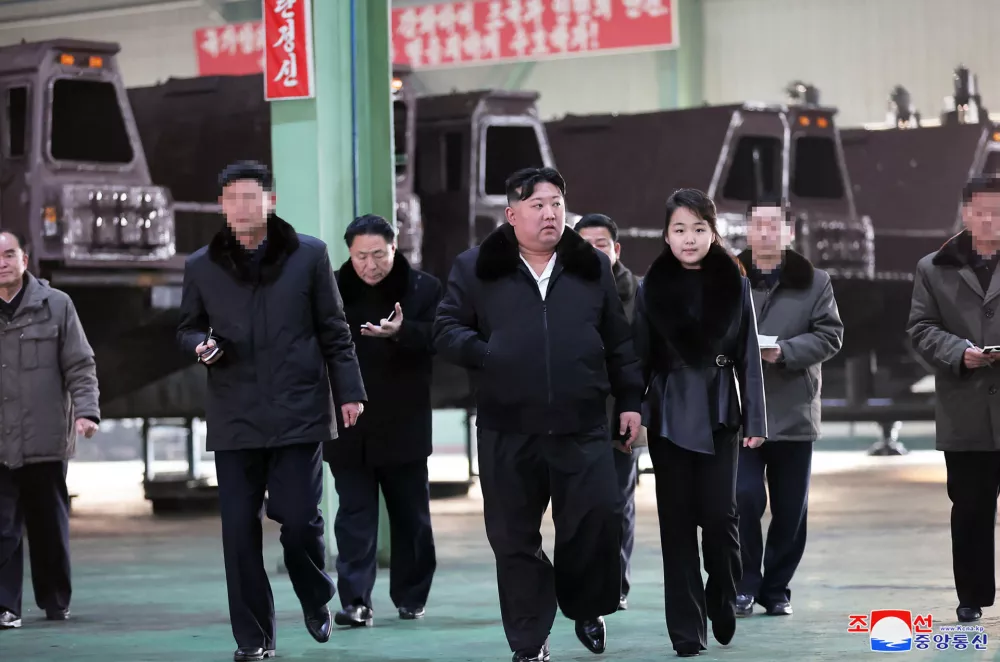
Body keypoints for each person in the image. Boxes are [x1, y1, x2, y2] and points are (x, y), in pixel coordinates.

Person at [433, 167, 644, 662]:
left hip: (582, 423)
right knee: (513, 538)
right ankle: (529, 640)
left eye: (556, 203)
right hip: (509, 427)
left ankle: (585, 606)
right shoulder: (475, 267)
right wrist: (488, 353)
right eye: (537, 205)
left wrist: (631, 401)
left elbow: (619, 341)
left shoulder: (592, 266)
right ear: (511, 215)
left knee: (595, 520)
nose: (550, 213)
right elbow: (444, 329)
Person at [176, 161, 367, 662]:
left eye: (251, 196)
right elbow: (186, 327)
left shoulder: (309, 256)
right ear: (222, 206)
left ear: (271, 201)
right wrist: (201, 344)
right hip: (234, 415)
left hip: (298, 410)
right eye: (232, 197)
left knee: (300, 520)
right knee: (238, 533)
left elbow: (334, 327)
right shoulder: (201, 265)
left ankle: (313, 593)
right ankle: (253, 638)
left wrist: (349, 391)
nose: (242, 206)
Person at [631, 188, 766, 658]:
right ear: (666, 236)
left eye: (698, 229)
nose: (689, 239)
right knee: (676, 525)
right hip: (669, 414)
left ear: (714, 232)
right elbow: (638, 358)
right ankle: (687, 631)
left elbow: (750, 356)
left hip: (722, 410)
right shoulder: (651, 289)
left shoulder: (736, 284)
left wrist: (757, 418)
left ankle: (723, 595)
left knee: (720, 516)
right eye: (679, 230)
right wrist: (630, 412)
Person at [326, 214, 440, 627]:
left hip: (404, 422)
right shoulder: (331, 292)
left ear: (395, 248)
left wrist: (402, 331)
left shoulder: (422, 288)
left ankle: (412, 595)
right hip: (349, 424)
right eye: (360, 257)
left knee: (411, 516)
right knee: (354, 516)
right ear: (349, 254)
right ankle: (355, 601)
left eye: (378, 255)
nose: (370, 265)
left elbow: (442, 337)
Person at [734, 198, 844, 618]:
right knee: (742, 499)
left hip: (794, 409)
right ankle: (744, 583)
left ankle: (776, 588)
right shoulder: (730, 277)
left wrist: (786, 351)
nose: (765, 232)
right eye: (757, 224)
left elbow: (831, 336)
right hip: (742, 412)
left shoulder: (815, 282)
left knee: (790, 508)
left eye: (773, 225)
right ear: (746, 231)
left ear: (789, 232)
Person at [907, 175, 1000, 624]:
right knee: (970, 511)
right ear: (965, 213)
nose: (989, 219)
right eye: (981, 210)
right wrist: (958, 353)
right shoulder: (933, 267)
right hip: (965, 407)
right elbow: (921, 328)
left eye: (998, 211)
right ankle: (971, 596)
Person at [0, 230, 100, 630]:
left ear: (25, 259)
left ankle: (55, 600)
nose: (2, 263)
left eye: (9, 254)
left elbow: (80, 364)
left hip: (45, 439)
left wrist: (87, 412)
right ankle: (6, 605)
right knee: (1, 527)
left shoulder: (57, 306)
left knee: (48, 527)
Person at [575, 213, 641, 612]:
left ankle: (616, 584)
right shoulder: (563, 292)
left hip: (621, 416)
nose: (592, 252)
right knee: (580, 505)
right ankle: (584, 582)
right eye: (583, 244)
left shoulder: (639, 295)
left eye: (600, 244)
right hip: (575, 415)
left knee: (617, 503)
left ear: (616, 250)